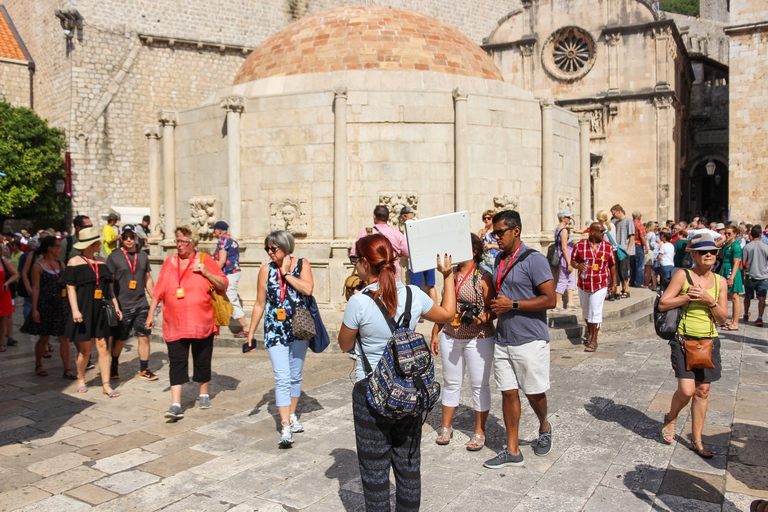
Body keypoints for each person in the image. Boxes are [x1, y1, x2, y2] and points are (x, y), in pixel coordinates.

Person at [338, 233, 455, 511]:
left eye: (356, 260)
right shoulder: (414, 294)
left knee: (375, 471)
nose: (355, 266)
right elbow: (448, 314)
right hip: (408, 390)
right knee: (408, 466)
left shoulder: (359, 301)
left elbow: (344, 345)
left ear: (366, 264)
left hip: (371, 393)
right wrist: (447, 275)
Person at [483, 209, 556, 469]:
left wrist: (512, 305)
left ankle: (544, 426)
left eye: (500, 232)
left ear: (516, 231)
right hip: (503, 338)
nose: (496, 237)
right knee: (508, 393)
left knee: (534, 392)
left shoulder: (534, 260)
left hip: (530, 338)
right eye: (494, 233)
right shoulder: (498, 260)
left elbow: (550, 299)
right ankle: (513, 450)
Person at [146, 226, 228, 419]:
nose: (179, 245)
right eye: (177, 241)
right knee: (177, 361)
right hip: (175, 323)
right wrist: (151, 314)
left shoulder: (204, 260)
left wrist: (206, 272)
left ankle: (204, 392)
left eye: (184, 242)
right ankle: (176, 404)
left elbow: (223, 284)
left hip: (202, 322)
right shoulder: (169, 261)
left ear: (193, 243)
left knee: (202, 358)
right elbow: (158, 291)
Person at [659, 232, 727, 459]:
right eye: (703, 252)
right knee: (687, 390)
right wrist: (687, 297)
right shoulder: (683, 276)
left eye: (712, 252)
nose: (709, 255)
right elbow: (663, 304)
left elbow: (723, 318)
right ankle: (671, 416)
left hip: (708, 341)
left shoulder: (720, 282)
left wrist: (710, 300)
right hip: (683, 339)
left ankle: (697, 439)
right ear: (694, 256)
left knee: (703, 391)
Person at [244, 230, 314, 446]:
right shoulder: (265, 270)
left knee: (295, 375)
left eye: (273, 248)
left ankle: (292, 415)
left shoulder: (302, 265)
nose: (270, 252)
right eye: (267, 248)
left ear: (286, 247)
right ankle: (285, 426)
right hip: (275, 329)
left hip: (298, 327)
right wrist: (250, 333)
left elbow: (308, 289)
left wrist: (286, 275)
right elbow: (259, 303)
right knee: (282, 377)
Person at [430, 234, 495, 451]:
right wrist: (435, 332)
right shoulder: (452, 274)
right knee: (451, 382)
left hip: (478, 336)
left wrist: (480, 319)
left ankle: (479, 431)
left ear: (474, 251)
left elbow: (492, 308)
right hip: (451, 334)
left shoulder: (484, 276)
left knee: (479, 385)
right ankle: (445, 427)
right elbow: (443, 305)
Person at [62, 227, 122, 397]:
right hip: (83, 309)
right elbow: (70, 288)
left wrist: (115, 305)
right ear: (90, 245)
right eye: (97, 242)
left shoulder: (102, 262)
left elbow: (109, 289)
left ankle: (106, 385)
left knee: (104, 349)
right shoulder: (74, 262)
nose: (100, 244)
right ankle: (80, 377)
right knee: (85, 350)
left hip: (101, 309)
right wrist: (75, 310)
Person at [106, 225, 157, 381]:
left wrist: (155, 298)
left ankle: (144, 368)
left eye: (131, 236)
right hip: (122, 304)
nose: (128, 239)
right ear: (121, 238)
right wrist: (114, 304)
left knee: (144, 336)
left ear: (136, 237)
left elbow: (147, 279)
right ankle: (114, 364)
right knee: (120, 339)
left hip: (141, 303)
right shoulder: (114, 257)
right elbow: (109, 283)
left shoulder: (142, 256)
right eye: (125, 237)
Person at [20, 237, 74, 378]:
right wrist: (35, 308)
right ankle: (38, 363)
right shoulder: (38, 267)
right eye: (58, 246)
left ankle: (67, 369)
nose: (60, 248)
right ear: (50, 248)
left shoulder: (61, 264)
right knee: (44, 338)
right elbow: (36, 288)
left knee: (64, 338)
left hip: (61, 305)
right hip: (45, 306)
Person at [571, 222, 617, 352]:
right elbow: (573, 260)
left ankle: (594, 340)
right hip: (584, 283)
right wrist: (577, 266)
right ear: (592, 232)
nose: (603, 233)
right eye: (601, 231)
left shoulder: (608, 247)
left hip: (600, 283)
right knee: (586, 311)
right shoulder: (580, 246)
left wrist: (614, 283)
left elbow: (612, 265)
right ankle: (590, 333)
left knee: (595, 311)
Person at [352, 205, 409, 281]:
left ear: (374, 216)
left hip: (372, 277)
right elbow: (407, 252)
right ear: (388, 217)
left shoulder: (366, 233)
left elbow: (353, 254)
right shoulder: (396, 234)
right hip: (391, 276)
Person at [211, 221, 247, 336]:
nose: (213, 231)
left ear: (219, 230)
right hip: (235, 271)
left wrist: (211, 272)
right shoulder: (232, 239)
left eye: (214, 229)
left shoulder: (222, 240)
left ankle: (245, 327)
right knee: (230, 297)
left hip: (229, 272)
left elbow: (222, 260)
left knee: (231, 298)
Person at [400, 207, 438, 303]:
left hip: (416, 258)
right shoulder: (423, 223)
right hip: (429, 257)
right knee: (431, 286)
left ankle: (419, 313)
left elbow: (406, 243)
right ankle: (436, 308)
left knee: (415, 287)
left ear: (405, 216)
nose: (402, 220)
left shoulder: (408, 224)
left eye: (401, 218)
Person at [742, 225, 768, 327]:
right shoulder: (766, 247)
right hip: (763, 275)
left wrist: (745, 270)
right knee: (761, 297)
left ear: (751, 234)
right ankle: (760, 317)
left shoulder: (747, 247)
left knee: (747, 297)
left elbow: (744, 263)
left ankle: (745, 313)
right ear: (761, 234)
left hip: (750, 275)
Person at [720, 225, 744, 330]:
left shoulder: (736, 245)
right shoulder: (727, 244)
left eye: (729, 233)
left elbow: (736, 263)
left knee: (734, 297)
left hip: (731, 271)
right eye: (726, 233)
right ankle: (732, 320)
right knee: (729, 295)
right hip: (725, 270)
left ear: (735, 234)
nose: (727, 235)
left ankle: (735, 322)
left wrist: (731, 278)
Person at [552, 209, 575, 310]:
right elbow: (564, 247)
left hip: (564, 257)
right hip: (565, 258)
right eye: (568, 217)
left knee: (570, 279)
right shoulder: (563, 230)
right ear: (562, 218)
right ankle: (557, 304)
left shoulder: (558, 229)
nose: (569, 219)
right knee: (563, 279)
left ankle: (570, 302)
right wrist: (569, 263)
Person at [611, 204, 635, 298]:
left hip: (624, 249)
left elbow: (632, 235)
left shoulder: (628, 220)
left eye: (614, 213)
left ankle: (627, 289)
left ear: (619, 211)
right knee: (619, 270)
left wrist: (628, 249)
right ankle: (622, 288)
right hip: (618, 248)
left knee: (624, 270)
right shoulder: (616, 222)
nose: (613, 215)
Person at [0, 251, 19, 352]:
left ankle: (1, 343)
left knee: (3, 318)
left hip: (2, 292)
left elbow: (15, 274)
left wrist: (7, 283)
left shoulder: (4, 262)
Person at [630, 211, 648, 288]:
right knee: (640, 266)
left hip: (631, 246)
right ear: (639, 216)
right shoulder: (639, 224)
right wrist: (646, 247)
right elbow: (642, 237)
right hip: (638, 246)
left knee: (632, 265)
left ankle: (632, 281)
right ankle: (639, 282)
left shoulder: (631, 223)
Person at [644, 221, 659, 290]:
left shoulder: (646, 234)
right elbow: (652, 245)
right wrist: (659, 245)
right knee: (648, 270)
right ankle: (646, 283)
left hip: (644, 251)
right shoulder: (652, 234)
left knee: (644, 269)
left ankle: (644, 282)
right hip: (649, 251)